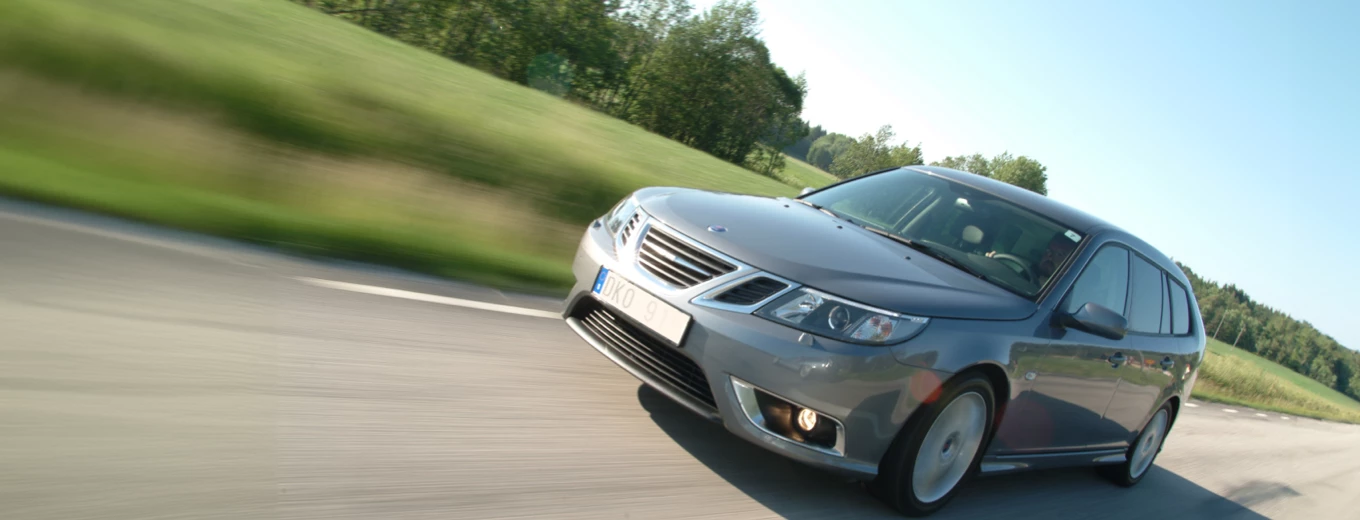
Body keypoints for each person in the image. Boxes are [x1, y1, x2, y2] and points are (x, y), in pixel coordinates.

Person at [986, 234, 1078, 284]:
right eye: (1048, 251)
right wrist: (989, 264)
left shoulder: (1063, 291)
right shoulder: (1025, 269)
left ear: (1071, 261)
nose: (1049, 256)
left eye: (1059, 254)